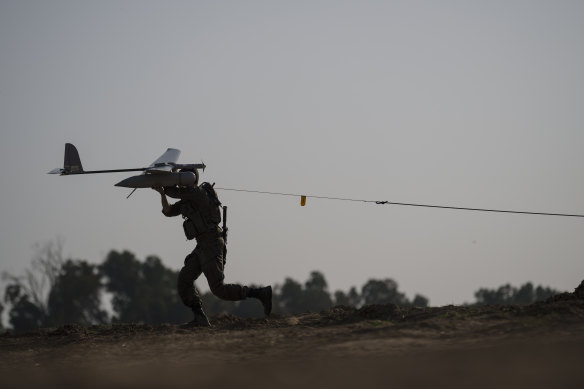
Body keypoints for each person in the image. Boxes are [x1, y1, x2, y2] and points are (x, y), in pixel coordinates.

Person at [152, 172, 272, 327]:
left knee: (218, 289)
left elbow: (174, 192)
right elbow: (168, 211)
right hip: (202, 245)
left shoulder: (199, 193)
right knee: (184, 279)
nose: (180, 184)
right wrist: (161, 193)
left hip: (212, 242)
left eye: (182, 180)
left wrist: (164, 183)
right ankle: (200, 318)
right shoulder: (187, 199)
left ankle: (261, 293)